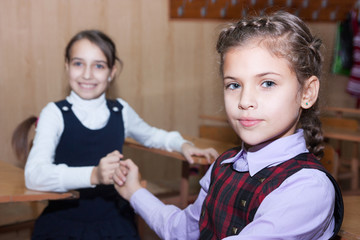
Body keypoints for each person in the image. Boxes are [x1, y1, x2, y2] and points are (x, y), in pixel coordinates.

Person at [113, 11, 344, 240]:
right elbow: (181, 231)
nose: (245, 101)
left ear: (307, 92)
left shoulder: (307, 189)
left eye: (268, 83)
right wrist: (134, 191)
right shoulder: (222, 166)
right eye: (234, 85)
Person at [17, 30, 219, 239]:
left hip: (114, 223)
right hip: (64, 224)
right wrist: (94, 175)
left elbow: (151, 135)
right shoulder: (54, 113)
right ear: (66, 66)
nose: (87, 74)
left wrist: (182, 144)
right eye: (78, 63)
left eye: (99, 65)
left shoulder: (119, 110)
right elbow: (34, 175)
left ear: (112, 71)